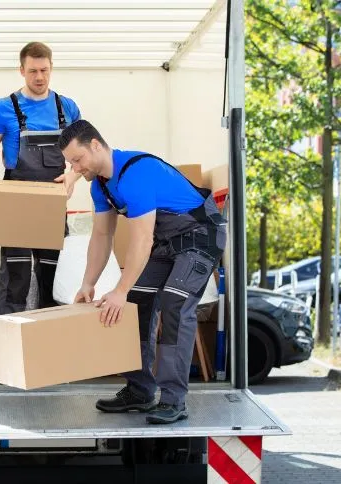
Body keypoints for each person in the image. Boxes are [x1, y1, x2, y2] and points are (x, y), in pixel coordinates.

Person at [57, 120, 227, 425]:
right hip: (167, 242)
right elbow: (101, 236)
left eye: (78, 159)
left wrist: (119, 290)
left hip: (200, 237)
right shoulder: (101, 186)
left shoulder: (136, 173)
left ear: (95, 145)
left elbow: (141, 239)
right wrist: (88, 284)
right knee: (135, 305)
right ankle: (140, 390)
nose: (76, 168)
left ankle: (174, 399)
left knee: (174, 303)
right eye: (71, 162)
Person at [0, 42, 83, 315]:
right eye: (33, 71)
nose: (39, 77)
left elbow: (83, 157)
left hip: (52, 204)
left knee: (55, 278)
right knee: (15, 278)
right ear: (21, 70)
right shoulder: (3, 109)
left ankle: (51, 346)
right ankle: (9, 346)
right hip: (15, 204)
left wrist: (71, 177)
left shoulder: (67, 108)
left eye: (44, 70)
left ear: (51, 68)